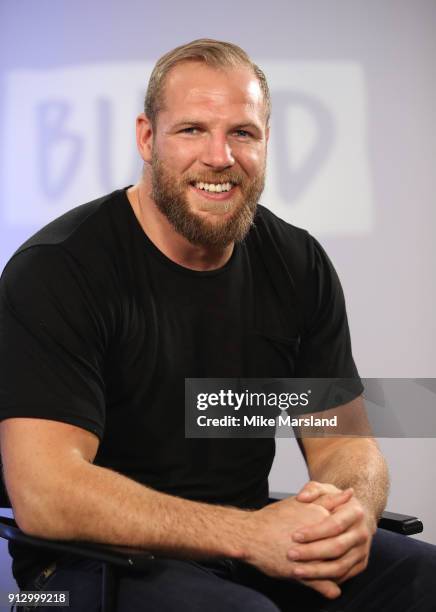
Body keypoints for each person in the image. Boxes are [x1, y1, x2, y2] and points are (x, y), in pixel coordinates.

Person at [0, 38, 435, 612]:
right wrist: (250, 535)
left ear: (265, 143)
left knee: (424, 578)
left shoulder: (297, 264)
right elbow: (46, 495)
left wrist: (345, 514)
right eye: (192, 130)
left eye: (242, 133)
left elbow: (345, 440)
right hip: (84, 567)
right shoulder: (60, 269)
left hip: (250, 547)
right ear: (147, 138)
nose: (219, 157)